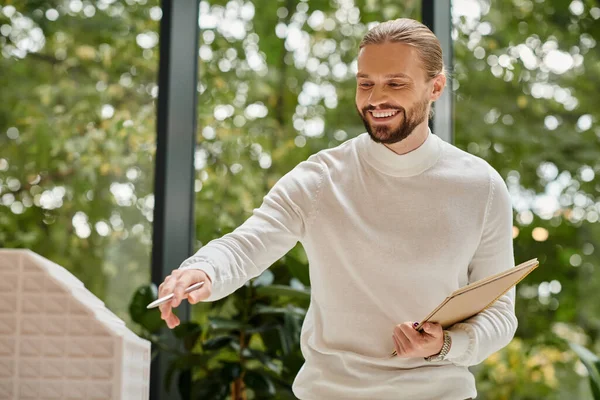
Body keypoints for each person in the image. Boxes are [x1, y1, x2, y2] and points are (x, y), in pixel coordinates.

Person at [158, 18, 516, 400]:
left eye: (396, 83)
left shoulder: (482, 187)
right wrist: (202, 269)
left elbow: (499, 315)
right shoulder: (320, 178)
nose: (376, 98)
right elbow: (247, 243)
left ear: (436, 87)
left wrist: (445, 345)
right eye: (366, 83)